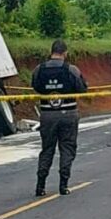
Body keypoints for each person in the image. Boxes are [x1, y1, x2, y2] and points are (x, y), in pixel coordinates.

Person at [31, 39, 87, 196]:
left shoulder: (39, 69)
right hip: (68, 114)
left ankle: (40, 186)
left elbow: (35, 86)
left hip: (47, 114)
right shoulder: (71, 70)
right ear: (65, 53)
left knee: (47, 149)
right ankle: (63, 185)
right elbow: (82, 89)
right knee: (67, 148)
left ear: (51, 52)